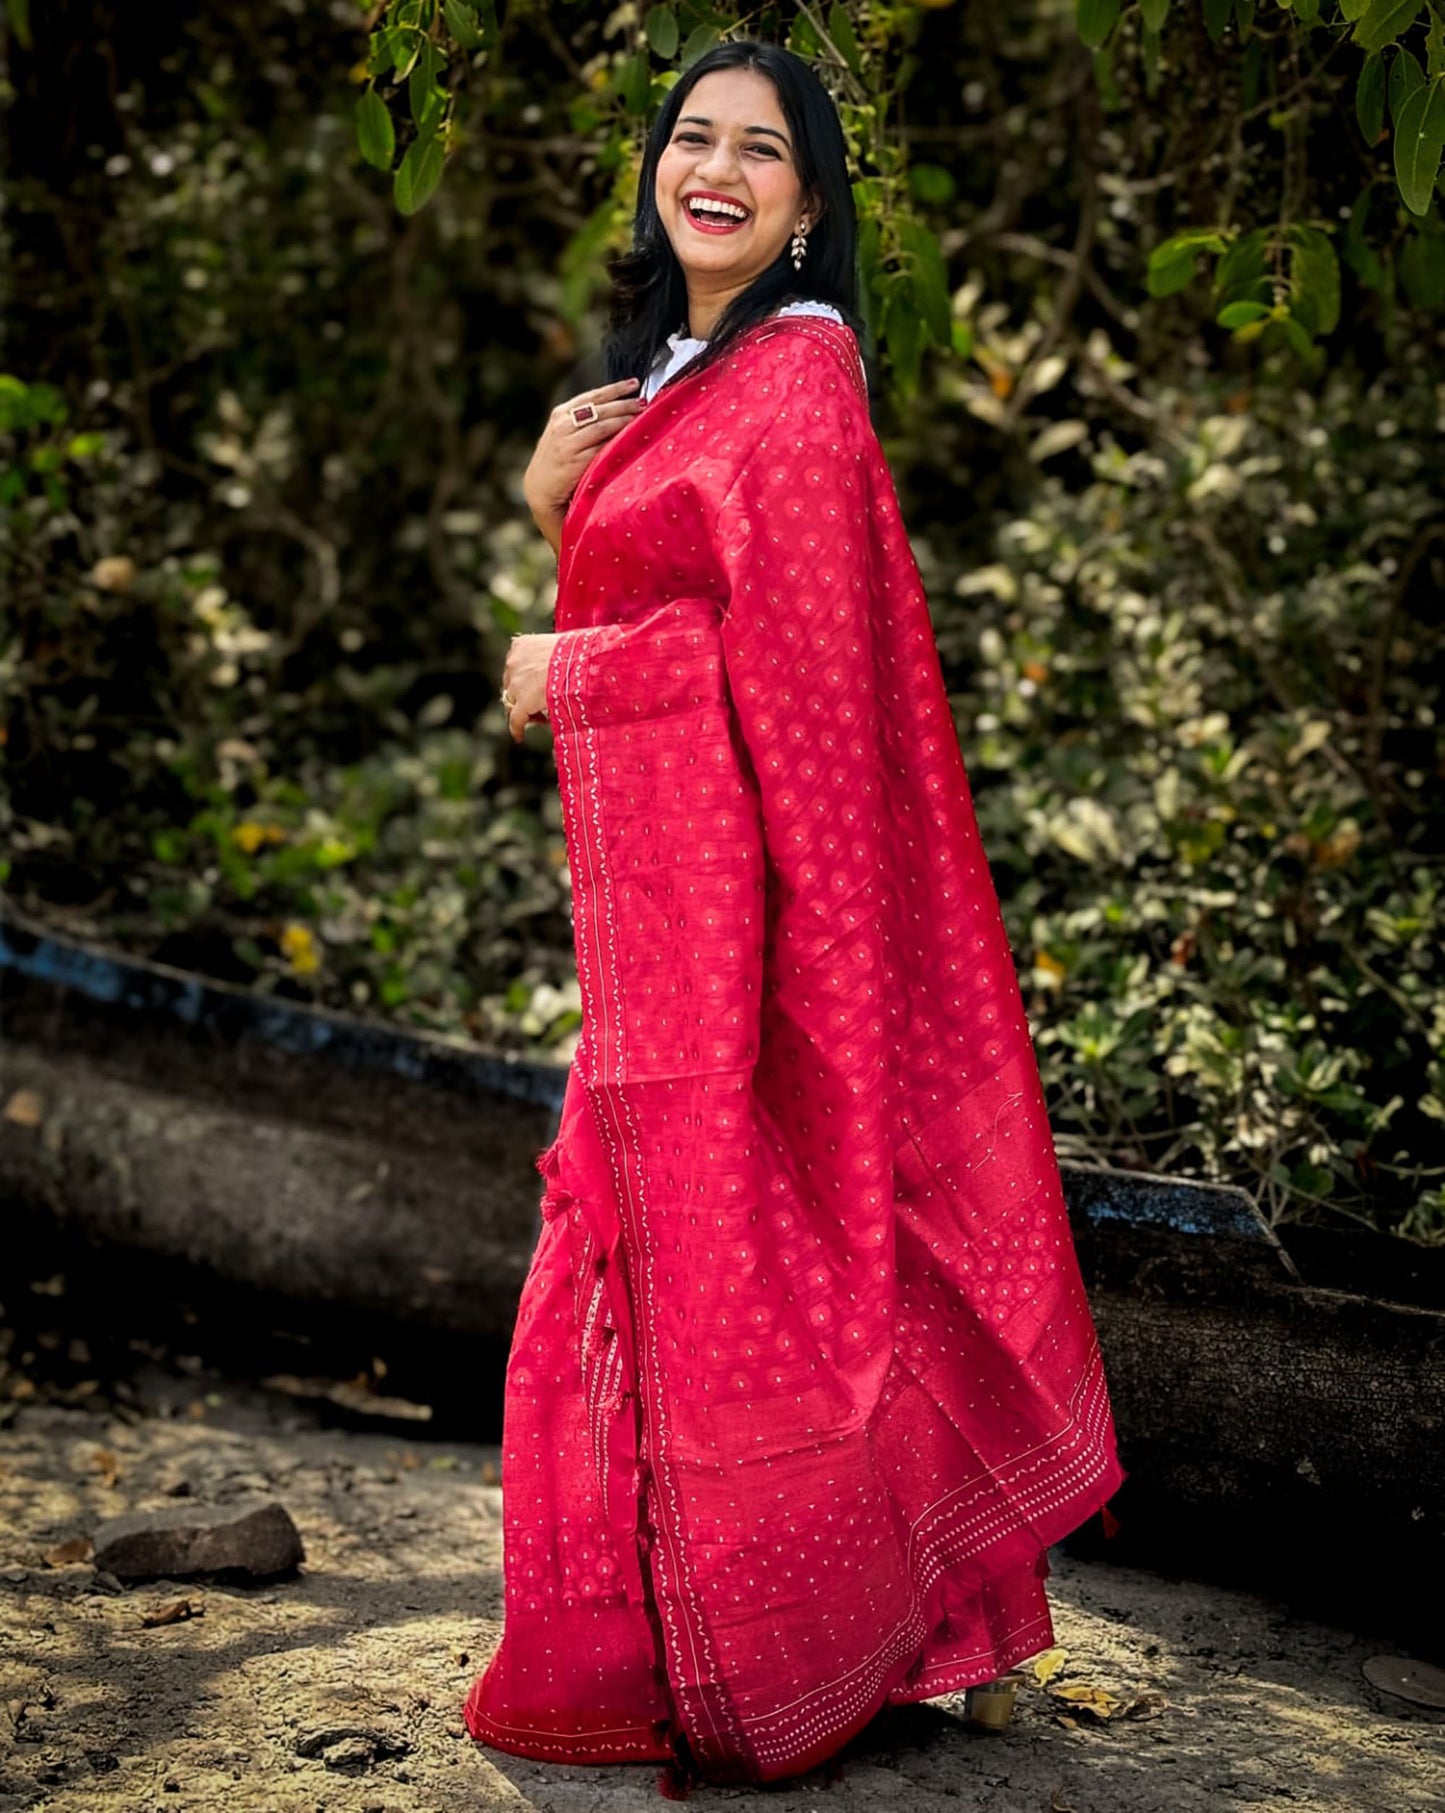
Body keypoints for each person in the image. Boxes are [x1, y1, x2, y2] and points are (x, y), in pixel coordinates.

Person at [464, 37, 1123, 1793]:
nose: (721, 171)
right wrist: (551, 509)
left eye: (765, 151)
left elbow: (802, 681)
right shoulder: (678, 378)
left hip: (786, 917)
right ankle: (803, 1633)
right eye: (695, 137)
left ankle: (879, 1638)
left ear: (810, 205)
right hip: (680, 927)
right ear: (656, 169)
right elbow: (661, 596)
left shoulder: (799, 381)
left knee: (803, 1245)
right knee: (663, 1249)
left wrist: (573, 678)